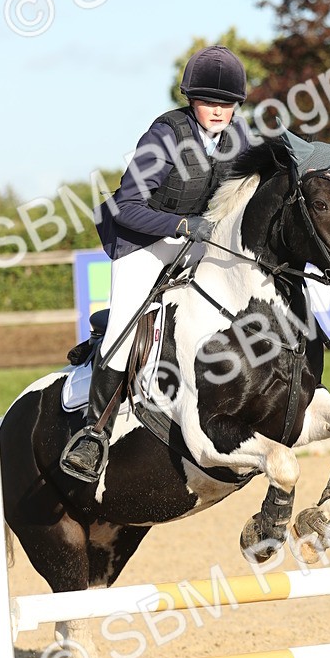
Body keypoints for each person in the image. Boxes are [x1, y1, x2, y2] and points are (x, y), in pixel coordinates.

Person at [60, 44, 253, 482]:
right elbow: (126, 205)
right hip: (140, 241)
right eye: (209, 101)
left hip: (194, 242)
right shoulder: (164, 134)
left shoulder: (239, 139)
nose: (219, 111)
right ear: (191, 99)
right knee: (126, 329)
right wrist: (184, 225)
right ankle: (94, 433)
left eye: (228, 103)